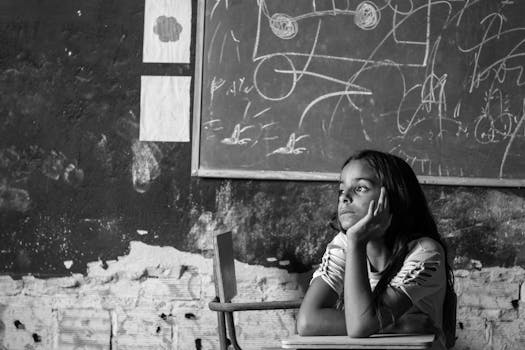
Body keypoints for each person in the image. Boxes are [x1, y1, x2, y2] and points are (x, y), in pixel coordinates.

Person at [297, 149, 456, 350]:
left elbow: (360, 326)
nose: (344, 197)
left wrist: (356, 241)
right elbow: (307, 321)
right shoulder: (343, 245)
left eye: (361, 188)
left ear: (393, 197)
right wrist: (398, 326)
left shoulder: (425, 252)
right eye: (341, 189)